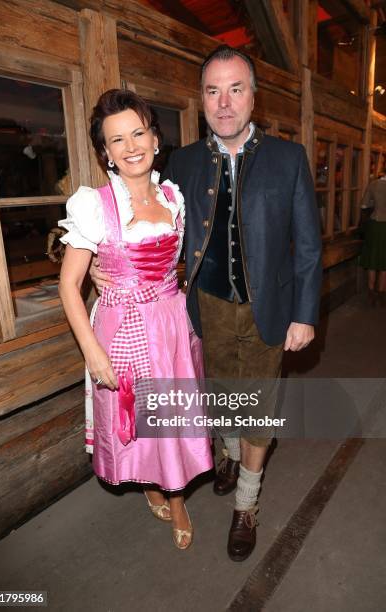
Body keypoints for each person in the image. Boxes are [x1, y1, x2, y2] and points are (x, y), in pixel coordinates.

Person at [91, 45, 322, 562]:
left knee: (258, 411)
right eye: (213, 90)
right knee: (220, 398)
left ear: (253, 96)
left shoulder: (289, 158)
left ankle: (246, 502)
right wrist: (86, 259)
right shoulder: (181, 163)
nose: (224, 102)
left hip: (271, 309)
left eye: (235, 88)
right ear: (201, 99)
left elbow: (307, 244)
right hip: (204, 307)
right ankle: (231, 454)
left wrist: (306, 312)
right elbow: (130, 209)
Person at [58, 89, 213, 550]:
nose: (130, 146)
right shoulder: (94, 205)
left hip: (170, 323)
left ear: (155, 138)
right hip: (122, 328)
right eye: (117, 139)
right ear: (105, 152)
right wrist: (93, 352)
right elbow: (70, 285)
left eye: (138, 133)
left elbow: (170, 263)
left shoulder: (174, 197)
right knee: (140, 418)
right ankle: (152, 483)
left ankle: (177, 496)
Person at [360, 173, 386, 307]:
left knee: (373, 258)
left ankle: (371, 293)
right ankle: (382, 294)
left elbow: (364, 205)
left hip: (376, 225)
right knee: (384, 261)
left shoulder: (374, 184)